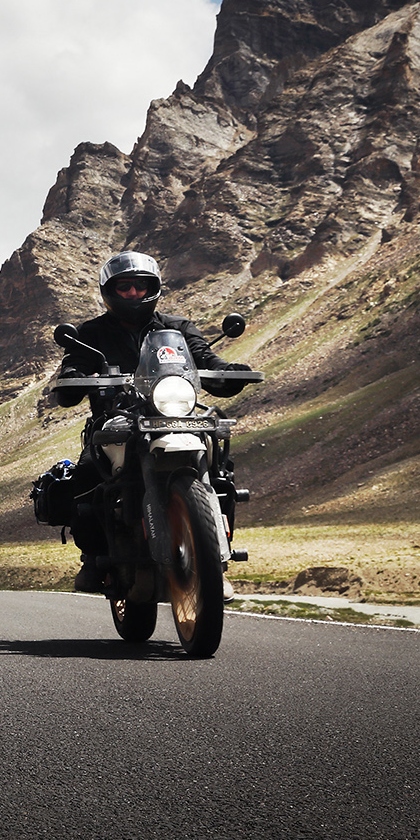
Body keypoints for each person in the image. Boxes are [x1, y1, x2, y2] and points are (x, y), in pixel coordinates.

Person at [51, 251, 249, 593]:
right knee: (85, 478)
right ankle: (93, 558)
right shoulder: (91, 333)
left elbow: (204, 358)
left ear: (154, 288)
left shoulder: (177, 328)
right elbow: (75, 365)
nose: (133, 293)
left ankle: (215, 560)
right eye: (124, 287)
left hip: (175, 414)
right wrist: (73, 374)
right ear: (109, 291)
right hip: (115, 420)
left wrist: (229, 370)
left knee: (221, 472)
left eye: (141, 286)